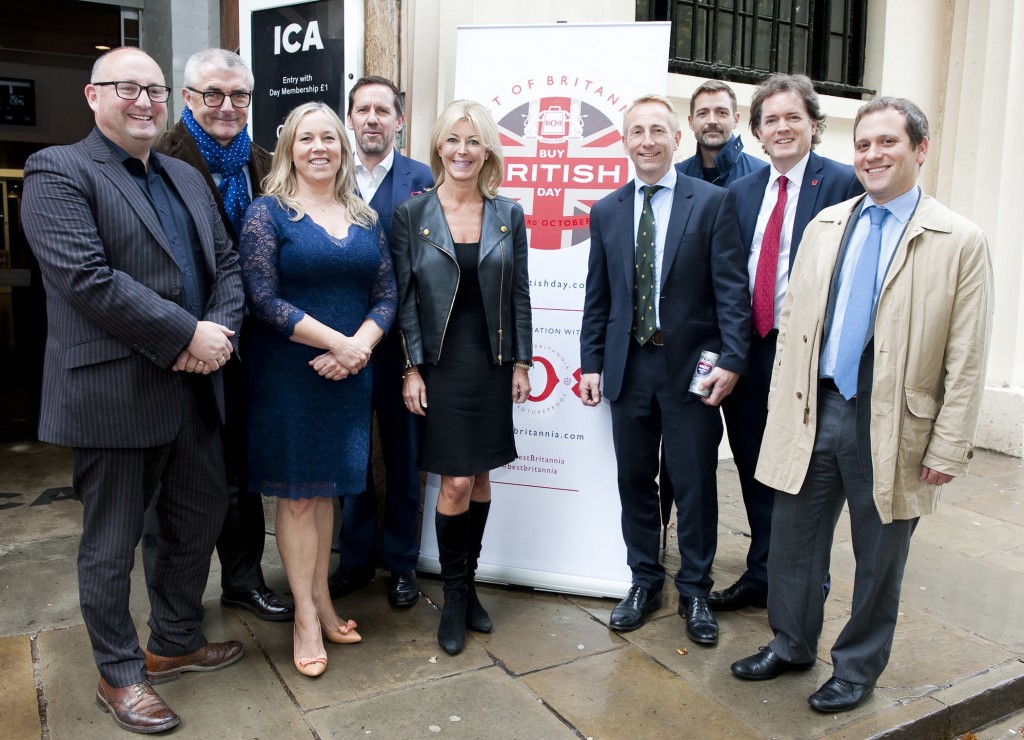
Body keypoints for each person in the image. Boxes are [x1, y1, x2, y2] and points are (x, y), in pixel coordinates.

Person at [730, 98, 993, 713]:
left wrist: (949, 443)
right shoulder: (828, 224)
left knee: (880, 557)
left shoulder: (959, 240)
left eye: (888, 143)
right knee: (792, 542)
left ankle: (855, 668)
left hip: (894, 420)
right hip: (814, 409)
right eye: (865, 145)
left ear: (920, 149)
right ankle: (792, 643)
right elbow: (796, 323)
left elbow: (968, 352)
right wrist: (779, 412)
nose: (873, 155)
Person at [22, 47, 245, 734]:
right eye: (127, 87)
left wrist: (221, 331)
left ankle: (174, 641)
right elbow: (87, 280)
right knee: (111, 544)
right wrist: (187, 334)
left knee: (197, 520)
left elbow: (228, 264)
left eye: (152, 88)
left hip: (196, 394)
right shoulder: (57, 171)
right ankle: (119, 674)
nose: (142, 100)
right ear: (94, 96)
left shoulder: (183, 173)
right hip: (113, 394)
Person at [579, 94, 749, 645]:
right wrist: (590, 364)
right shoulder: (606, 210)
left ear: (677, 139)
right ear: (624, 141)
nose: (647, 140)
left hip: (691, 372)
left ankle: (695, 590)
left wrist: (731, 359)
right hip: (628, 369)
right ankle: (644, 581)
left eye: (657, 130)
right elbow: (598, 299)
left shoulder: (713, 202)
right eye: (636, 131)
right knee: (635, 480)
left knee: (696, 482)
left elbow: (731, 292)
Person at [238, 102, 397, 677]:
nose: (319, 148)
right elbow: (263, 299)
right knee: (299, 494)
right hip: (289, 375)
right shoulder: (268, 213)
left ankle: (325, 600)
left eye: (330, 137)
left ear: (344, 147)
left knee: (327, 491)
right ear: (289, 149)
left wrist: (360, 347)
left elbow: (387, 294)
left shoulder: (364, 216)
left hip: (348, 374)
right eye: (307, 139)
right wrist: (341, 344)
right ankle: (305, 613)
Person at [711, 74, 864, 612]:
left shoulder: (845, 184)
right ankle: (761, 573)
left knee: (803, 475)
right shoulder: (741, 192)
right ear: (755, 131)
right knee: (756, 466)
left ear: (814, 126)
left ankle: (805, 583)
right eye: (770, 120)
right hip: (750, 352)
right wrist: (731, 352)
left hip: (808, 357)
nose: (781, 128)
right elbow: (730, 279)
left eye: (792, 117)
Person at [151, 48, 293, 622]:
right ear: (187, 98)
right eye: (213, 94)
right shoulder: (157, 158)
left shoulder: (266, 164)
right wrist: (184, 333)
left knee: (242, 473)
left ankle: (242, 580)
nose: (227, 106)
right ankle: (176, 607)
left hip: (252, 349)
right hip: (180, 346)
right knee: (177, 481)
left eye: (239, 96)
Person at [391, 100, 532, 656]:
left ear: (488, 151)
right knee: (452, 481)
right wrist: (411, 367)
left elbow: (519, 293)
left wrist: (522, 361)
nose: (463, 152)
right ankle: (452, 597)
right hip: (443, 366)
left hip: (493, 364)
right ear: (439, 148)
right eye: (453, 140)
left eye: (474, 142)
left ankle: (469, 587)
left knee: (478, 479)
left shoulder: (508, 214)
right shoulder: (412, 216)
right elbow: (403, 299)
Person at [329, 76, 434, 607]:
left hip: (403, 344)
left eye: (382, 110)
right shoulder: (330, 174)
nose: (372, 118)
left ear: (399, 120)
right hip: (341, 341)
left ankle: (400, 564)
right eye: (362, 109)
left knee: (403, 454)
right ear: (350, 119)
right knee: (351, 455)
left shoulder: (424, 178)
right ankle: (354, 559)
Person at [676, 80, 768, 187]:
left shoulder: (763, 176)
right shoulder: (677, 176)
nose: (712, 121)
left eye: (722, 113)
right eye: (703, 113)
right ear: (691, 122)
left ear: (735, 120)